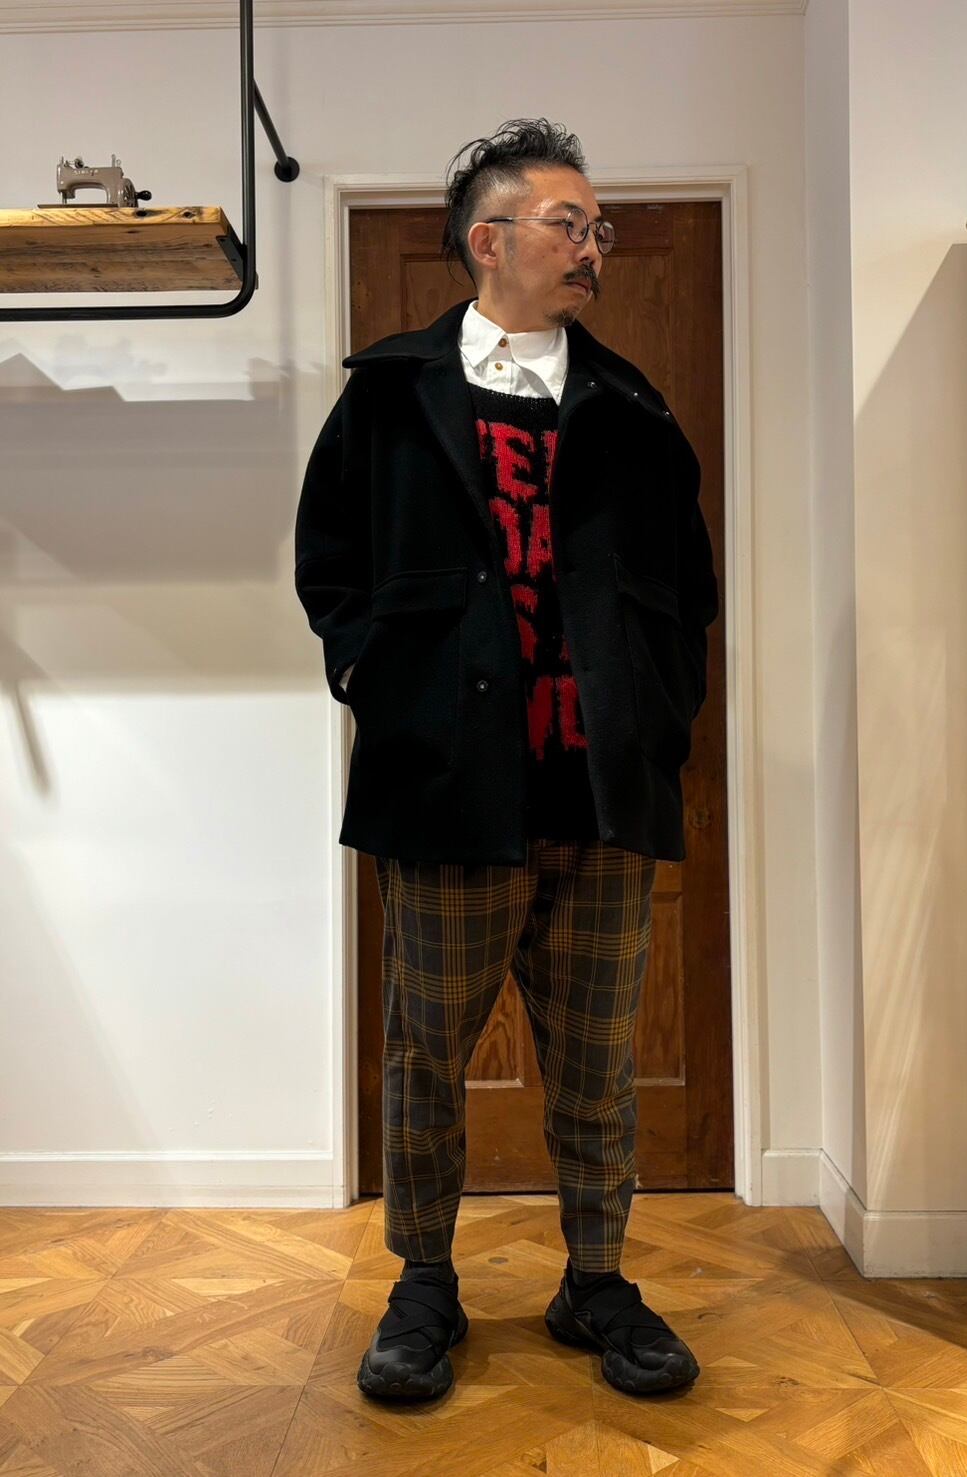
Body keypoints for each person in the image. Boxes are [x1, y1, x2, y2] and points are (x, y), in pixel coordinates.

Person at [294, 118, 719, 1404]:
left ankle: (596, 1281)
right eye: (566, 224)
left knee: (596, 1060)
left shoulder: (634, 410)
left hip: (600, 797)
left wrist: (656, 720)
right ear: (488, 240)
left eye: (599, 228)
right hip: (444, 794)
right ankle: (424, 1282)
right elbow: (330, 567)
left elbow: (687, 593)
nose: (593, 246)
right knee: (427, 1054)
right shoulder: (388, 397)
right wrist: (378, 682)